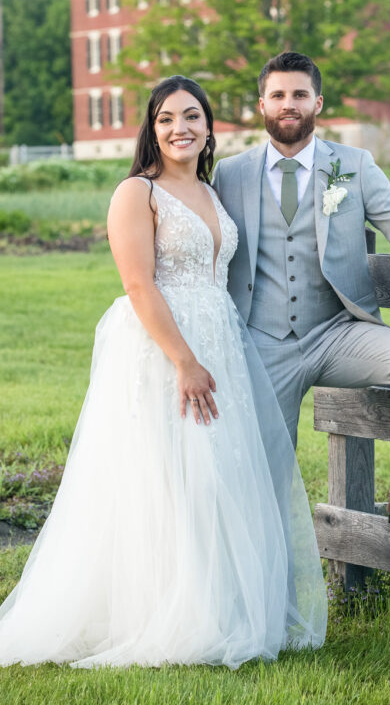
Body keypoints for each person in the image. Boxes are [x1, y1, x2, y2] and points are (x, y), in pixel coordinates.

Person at [0, 75, 326, 668]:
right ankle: (160, 614)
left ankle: (220, 608)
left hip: (219, 339)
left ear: (209, 127)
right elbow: (137, 283)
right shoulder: (136, 193)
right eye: (168, 119)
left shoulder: (213, 190)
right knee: (167, 479)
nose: (182, 128)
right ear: (152, 131)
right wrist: (184, 361)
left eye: (193, 117)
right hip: (162, 349)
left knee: (218, 476)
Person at [213, 52, 390, 530]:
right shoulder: (230, 173)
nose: (288, 104)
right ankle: (269, 589)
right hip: (262, 342)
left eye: (299, 95)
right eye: (278, 95)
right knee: (266, 488)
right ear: (262, 105)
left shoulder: (351, 164)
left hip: (335, 332)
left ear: (318, 102)